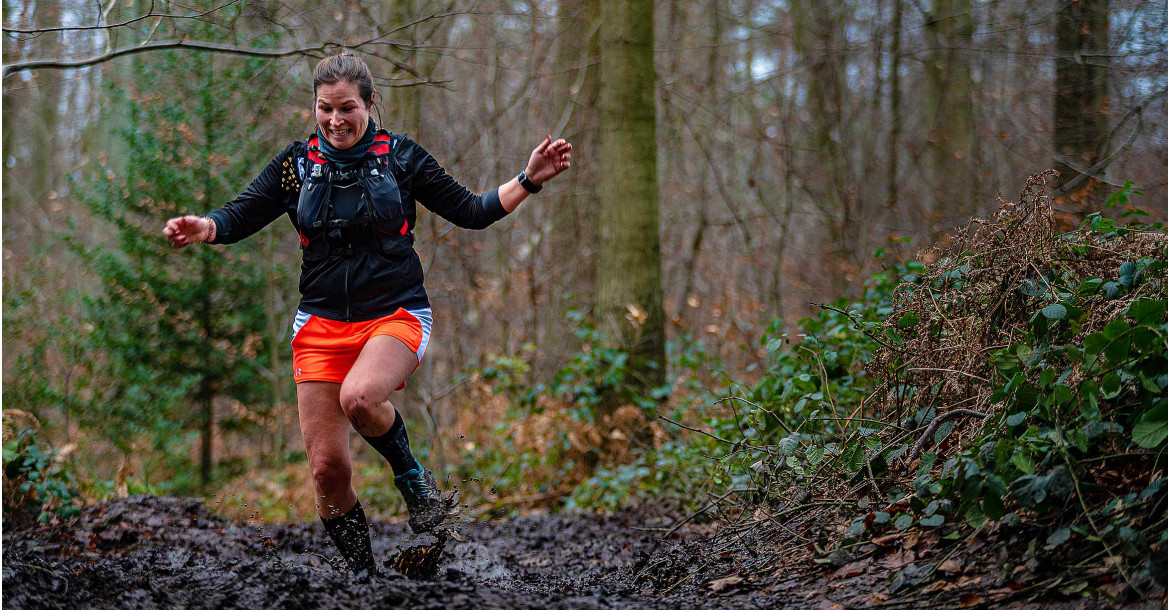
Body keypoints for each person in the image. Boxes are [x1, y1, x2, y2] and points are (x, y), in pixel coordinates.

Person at [163, 53, 571, 573]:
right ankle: (363, 578)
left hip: (394, 315)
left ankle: (415, 486)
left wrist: (528, 179)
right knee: (327, 471)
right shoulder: (295, 165)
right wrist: (207, 227)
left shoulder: (402, 158)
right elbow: (242, 213)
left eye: (347, 108)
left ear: (370, 104)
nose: (335, 120)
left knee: (360, 397)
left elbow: (471, 211)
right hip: (319, 323)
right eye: (325, 108)